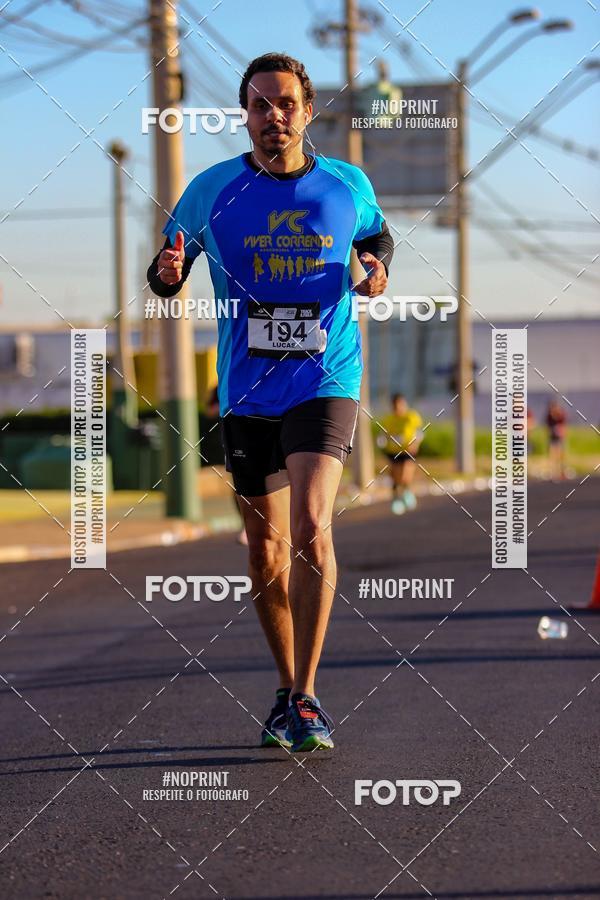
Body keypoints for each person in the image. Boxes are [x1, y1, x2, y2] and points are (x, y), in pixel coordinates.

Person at [147, 52, 394, 751]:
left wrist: (377, 270)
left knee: (313, 525)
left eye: (286, 103)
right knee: (265, 549)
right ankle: (286, 687)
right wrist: (167, 273)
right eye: (260, 104)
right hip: (247, 387)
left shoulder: (345, 184)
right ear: (246, 115)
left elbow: (377, 238)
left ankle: (308, 697)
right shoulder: (211, 190)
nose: (274, 115)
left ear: (307, 112)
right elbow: (167, 270)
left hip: (325, 377)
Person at [379, 393, 423, 515]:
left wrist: (415, 444)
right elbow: (383, 435)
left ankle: (406, 492)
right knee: (395, 476)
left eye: (401, 404)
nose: (399, 408)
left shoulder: (412, 416)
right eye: (396, 406)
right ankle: (397, 498)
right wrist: (382, 444)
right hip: (393, 451)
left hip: (408, 451)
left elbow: (419, 432)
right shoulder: (389, 419)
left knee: (406, 475)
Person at [545, 399, 567, 480]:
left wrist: (559, 431)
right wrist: (552, 431)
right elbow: (547, 428)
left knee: (561, 455)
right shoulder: (549, 416)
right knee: (552, 455)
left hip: (560, 438)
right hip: (552, 438)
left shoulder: (561, 415)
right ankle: (553, 472)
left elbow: (564, 428)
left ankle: (562, 471)